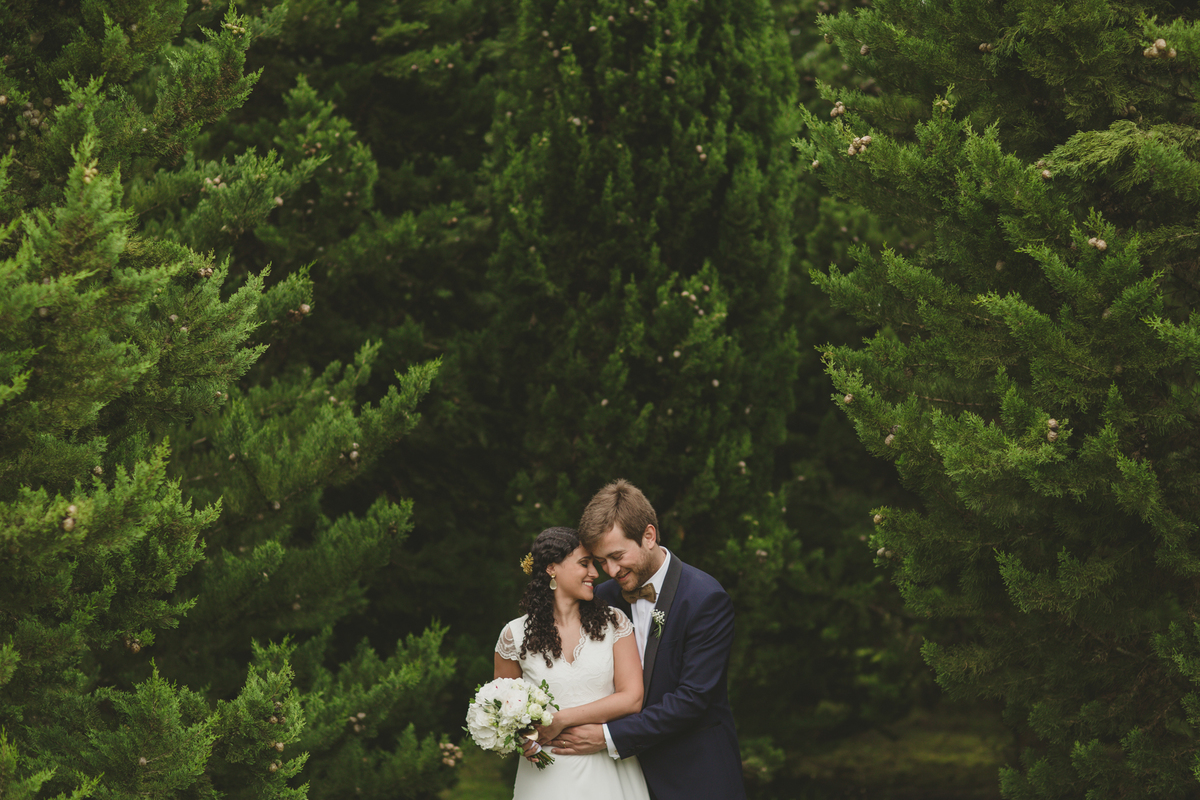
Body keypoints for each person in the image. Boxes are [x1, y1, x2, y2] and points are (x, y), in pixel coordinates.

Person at [544, 480, 747, 800]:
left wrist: (607, 736)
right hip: (620, 780)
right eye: (600, 561)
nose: (610, 570)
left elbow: (691, 700)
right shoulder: (603, 599)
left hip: (694, 777)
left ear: (648, 536)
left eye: (617, 555)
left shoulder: (705, 599)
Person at [494, 526, 651, 800]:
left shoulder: (614, 622)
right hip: (546, 777)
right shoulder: (514, 635)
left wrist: (561, 720)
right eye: (584, 563)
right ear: (552, 568)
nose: (595, 573)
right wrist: (524, 740)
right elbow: (504, 709)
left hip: (608, 770)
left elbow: (632, 698)